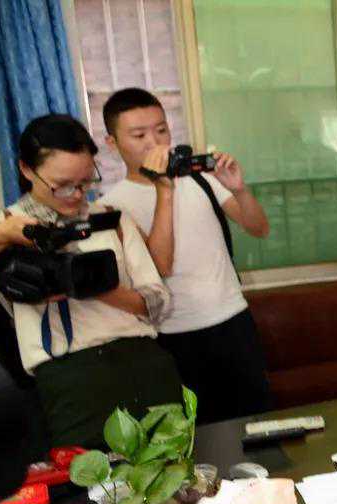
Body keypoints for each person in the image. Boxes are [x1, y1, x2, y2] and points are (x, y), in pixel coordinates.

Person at [0, 114, 181, 449]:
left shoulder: (111, 219)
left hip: (145, 362)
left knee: (174, 469)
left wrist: (94, 286)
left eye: (86, 181)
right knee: (89, 480)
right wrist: (6, 233)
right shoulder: (4, 224)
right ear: (26, 169)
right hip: (71, 380)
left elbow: (159, 302)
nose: (76, 194)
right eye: (63, 184)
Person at [100, 88, 272, 424]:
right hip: (173, 335)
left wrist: (238, 188)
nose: (154, 142)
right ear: (112, 143)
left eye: (161, 130)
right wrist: (164, 191)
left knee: (260, 426)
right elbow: (157, 267)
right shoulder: (114, 206)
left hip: (234, 321)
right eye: (139, 135)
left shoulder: (201, 179)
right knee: (200, 435)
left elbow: (259, 227)